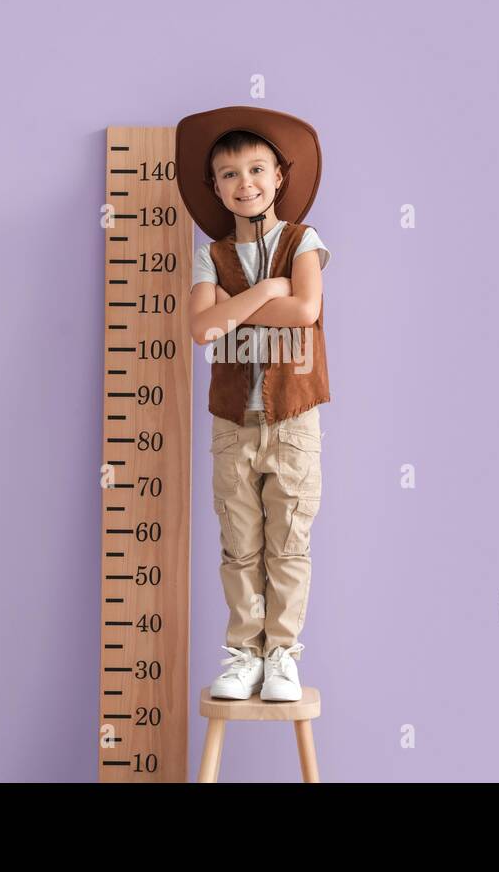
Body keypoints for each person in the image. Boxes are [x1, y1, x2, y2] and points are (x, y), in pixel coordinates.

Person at [175, 106, 331, 702]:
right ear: (215, 186)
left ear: (279, 177)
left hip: (293, 417)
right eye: (230, 174)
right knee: (239, 541)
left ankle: (282, 655)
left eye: (257, 169)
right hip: (231, 422)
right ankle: (244, 653)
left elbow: (306, 311)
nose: (246, 184)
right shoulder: (210, 256)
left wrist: (230, 310)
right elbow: (200, 329)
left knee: (288, 539)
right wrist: (267, 289)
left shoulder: (303, 242)